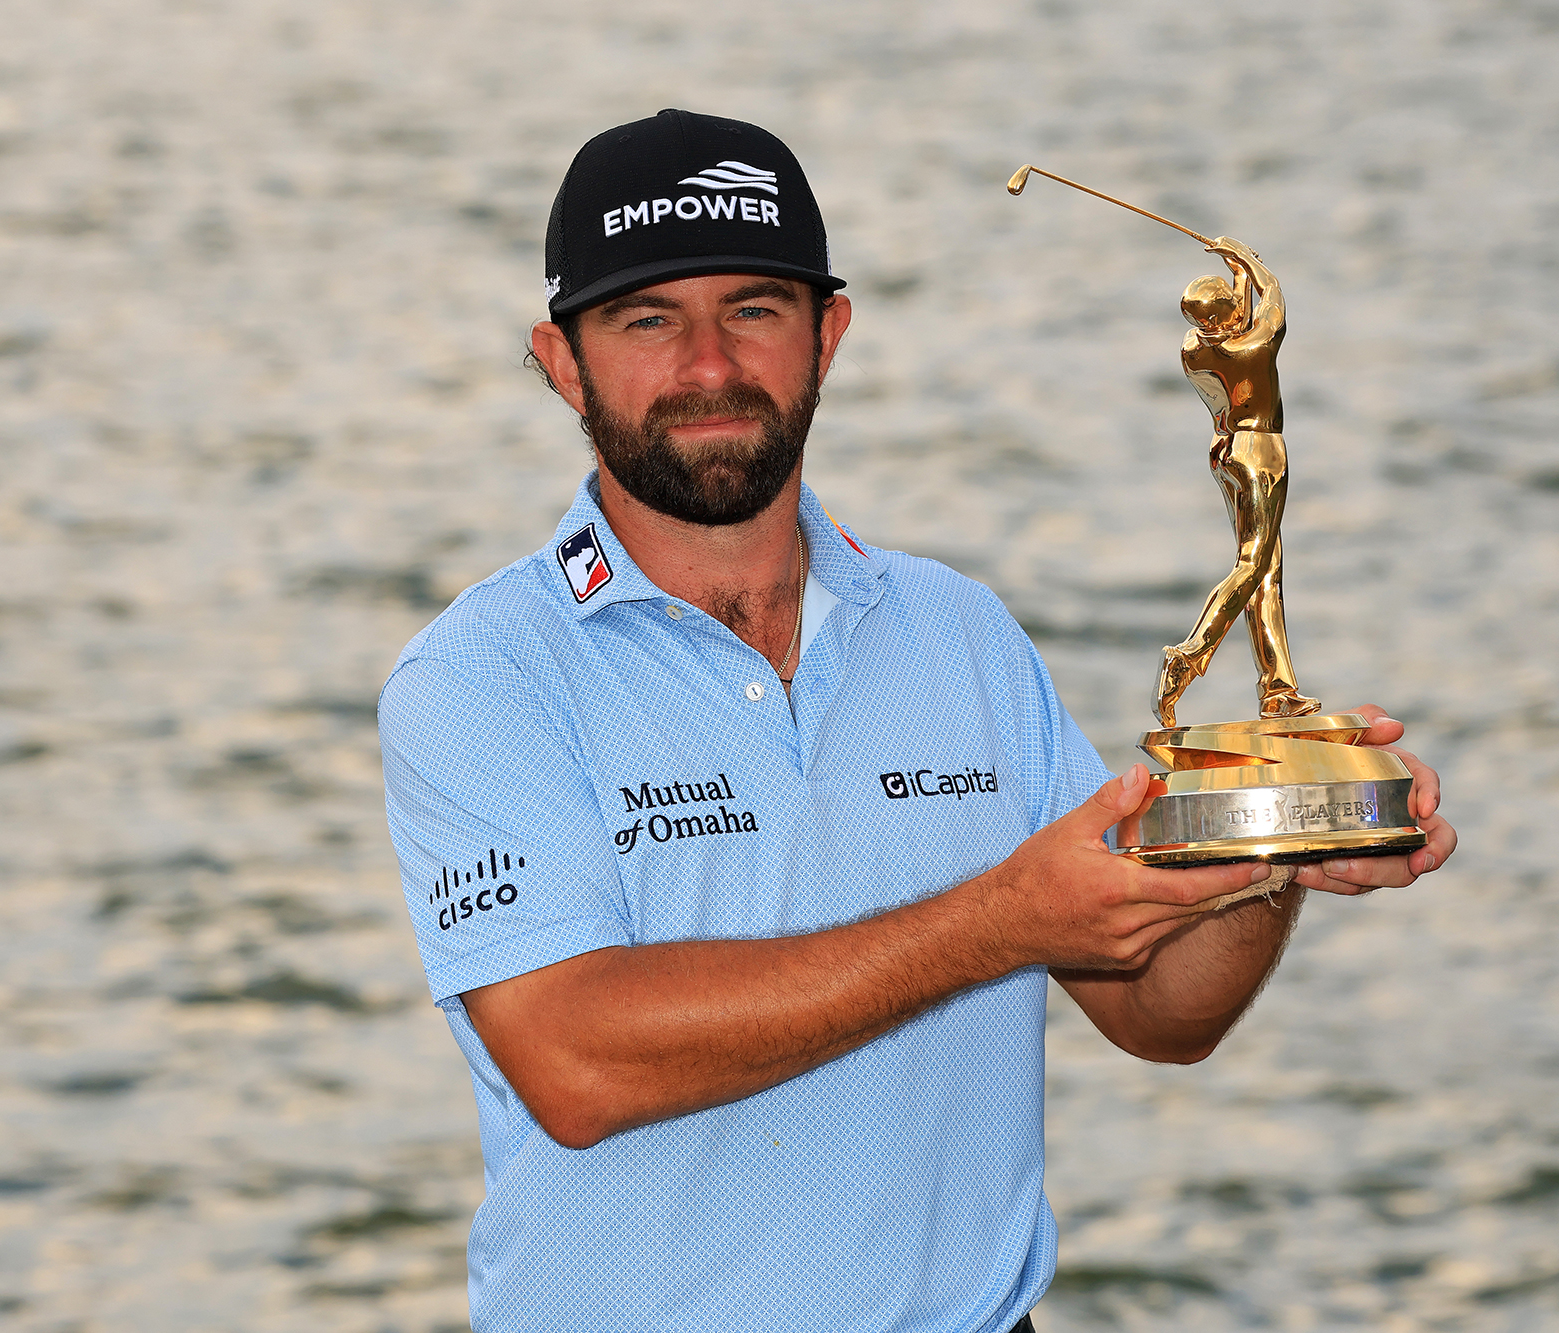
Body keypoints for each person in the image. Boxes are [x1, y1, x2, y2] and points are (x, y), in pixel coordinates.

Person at [378, 109, 1456, 1333]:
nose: (709, 365)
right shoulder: (479, 674)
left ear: (827, 335)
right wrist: (996, 923)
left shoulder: (959, 631)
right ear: (562, 362)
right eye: (646, 320)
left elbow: (1157, 1008)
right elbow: (576, 1061)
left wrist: (1269, 847)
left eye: (753, 309)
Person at [1153, 237, 1320, 728]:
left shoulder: (1194, 349)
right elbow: (1275, 303)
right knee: (1253, 565)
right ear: (1223, 318)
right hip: (1261, 451)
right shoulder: (1253, 346)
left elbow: (1236, 317)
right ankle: (1190, 654)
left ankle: (1278, 689)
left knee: (1266, 572)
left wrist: (1237, 276)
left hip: (1225, 451)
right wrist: (1248, 259)